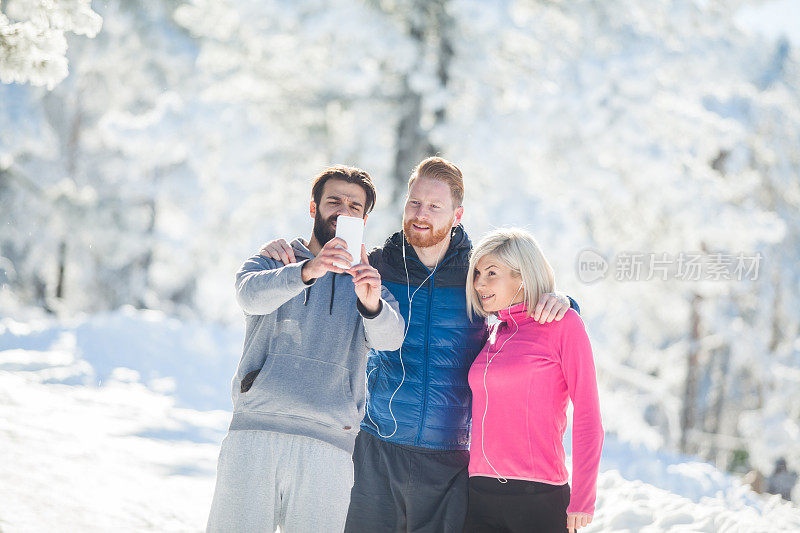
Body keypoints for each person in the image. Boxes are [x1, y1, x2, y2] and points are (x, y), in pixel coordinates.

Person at [261, 157, 578, 532]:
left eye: (434, 206)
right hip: (376, 450)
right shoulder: (376, 265)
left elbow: (523, 309)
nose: (420, 214)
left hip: (450, 460)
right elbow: (315, 277)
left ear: (456, 214)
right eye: (414, 203)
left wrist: (563, 302)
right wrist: (286, 253)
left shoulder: (474, 276)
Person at [206, 165, 405, 533]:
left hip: (329, 446)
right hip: (255, 434)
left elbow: (391, 339)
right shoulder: (276, 259)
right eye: (334, 202)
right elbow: (248, 295)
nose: (343, 212)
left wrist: (371, 304)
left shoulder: (367, 279)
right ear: (313, 208)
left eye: (354, 206)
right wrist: (305, 271)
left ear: (364, 217)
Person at [463, 228, 603, 533]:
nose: (479, 283)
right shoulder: (493, 333)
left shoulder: (563, 324)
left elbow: (589, 415)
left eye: (491, 273)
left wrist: (583, 497)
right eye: (477, 273)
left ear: (522, 276)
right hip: (480, 495)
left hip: (539, 497)